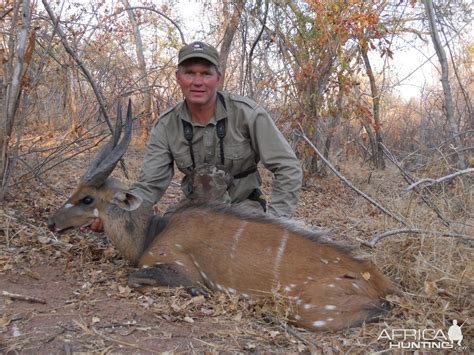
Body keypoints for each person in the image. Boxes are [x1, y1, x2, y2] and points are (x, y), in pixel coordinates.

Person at [91, 41, 302, 230]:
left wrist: (276, 222)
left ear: (218, 78)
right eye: (190, 73)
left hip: (243, 208)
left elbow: (287, 167)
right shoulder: (166, 125)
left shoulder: (248, 114)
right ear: (178, 77)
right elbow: (149, 186)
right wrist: (116, 211)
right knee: (161, 244)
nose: (197, 81)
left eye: (206, 73)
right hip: (195, 209)